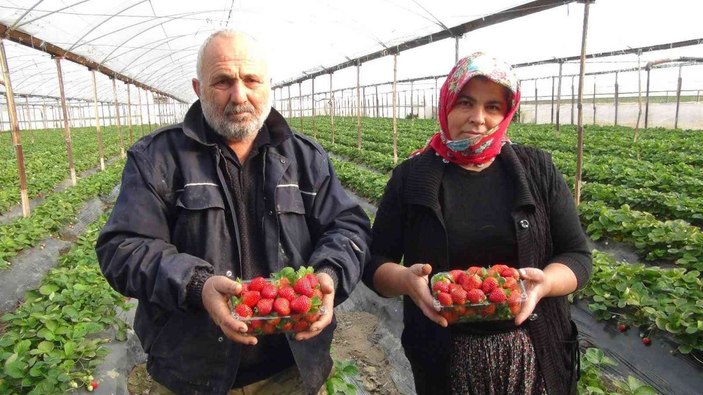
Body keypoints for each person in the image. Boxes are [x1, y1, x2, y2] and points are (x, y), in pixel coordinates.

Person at [95, 30, 371, 395]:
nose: (239, 95)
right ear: (198, 88)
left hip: (290, 370)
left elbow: (348, 227)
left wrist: (329, 273)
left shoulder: (306, 158)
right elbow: (123, 247)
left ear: (268, 85)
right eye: (223, 81)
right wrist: (197, 285)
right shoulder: (157, 158)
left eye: (251, 80)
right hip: (190, 374)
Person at [362, 52, 592, 395]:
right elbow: (375, 261)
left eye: (493, 107)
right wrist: (407, 281)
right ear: (447, 104)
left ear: (507, 112)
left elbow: (577, 255)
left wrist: (544, 284)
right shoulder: (411, 178)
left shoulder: (537, 169)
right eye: (466, 103)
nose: (478, 118)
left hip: (536, 354)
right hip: (444, 360)